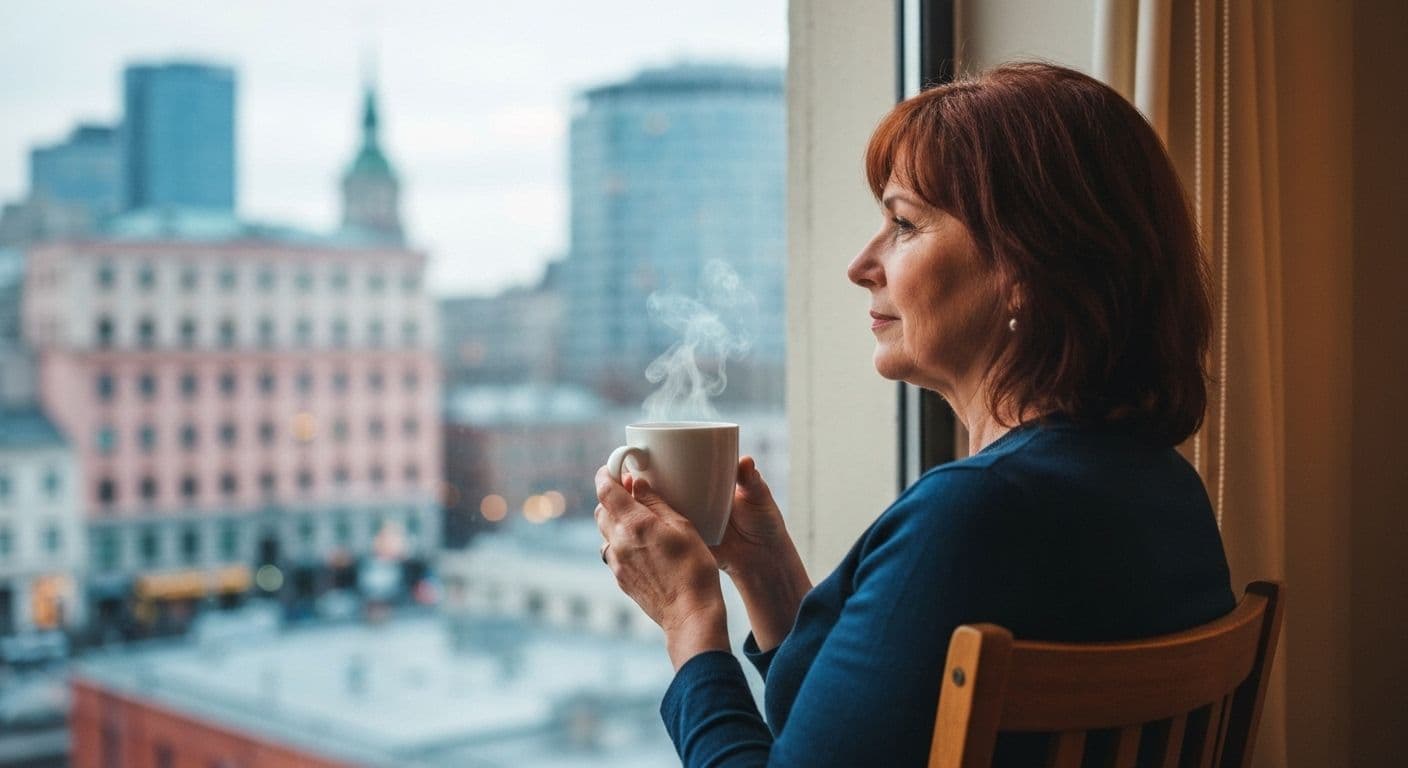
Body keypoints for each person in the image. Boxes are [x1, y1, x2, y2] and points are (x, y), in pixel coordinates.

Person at [594, 62, 1235, 766]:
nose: (860, 265)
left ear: (1025, 271)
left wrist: (688, 617)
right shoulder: (1165, 490)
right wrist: (765, 574)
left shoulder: (973, 517)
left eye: (903, 224)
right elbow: (858, 734)